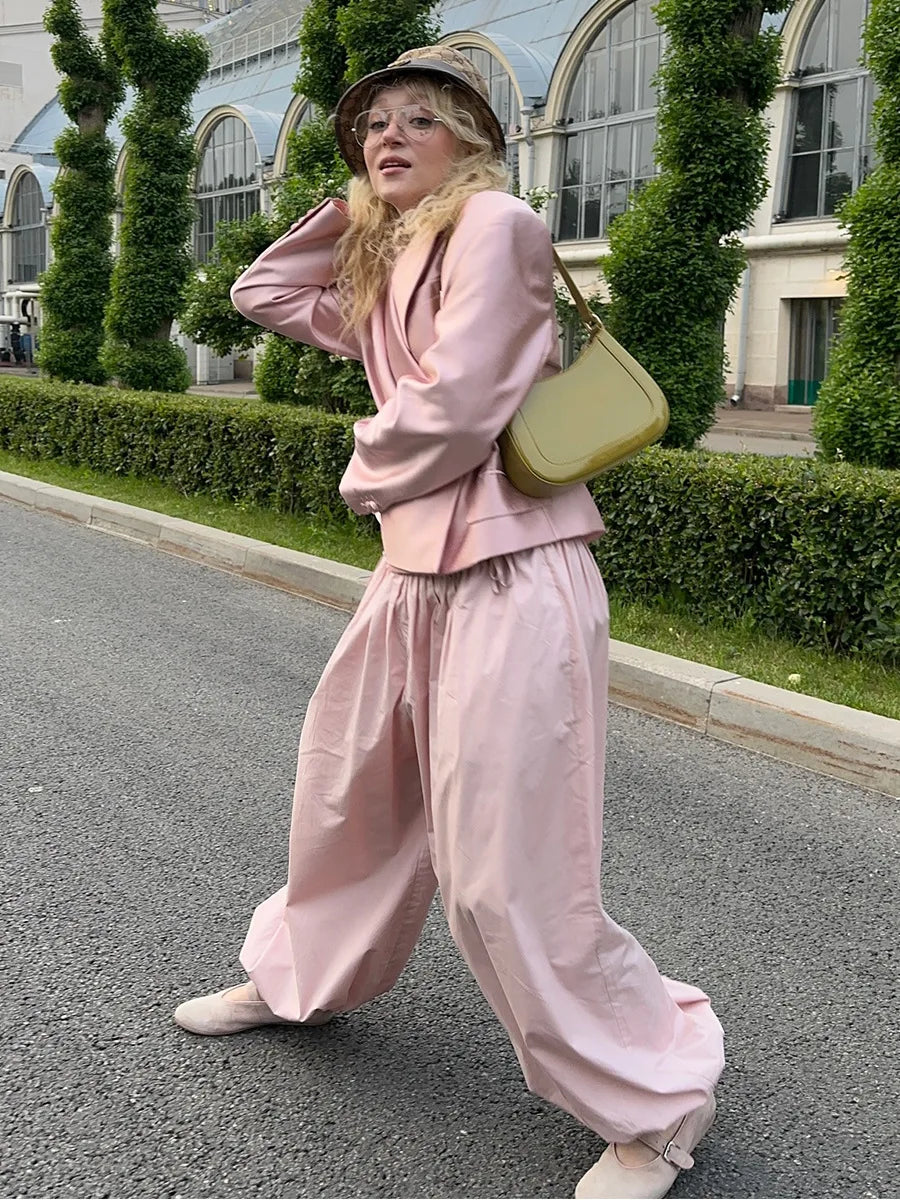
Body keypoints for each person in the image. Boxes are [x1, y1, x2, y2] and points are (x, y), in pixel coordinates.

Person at [173, 46, 725, 1200]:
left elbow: (462, 402)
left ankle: (656, 1102)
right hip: (413, 576)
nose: (389, 135)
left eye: (421, 120)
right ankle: (297, 981)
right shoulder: (390, 253)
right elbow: (263, 294)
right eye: (372, 126)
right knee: (348, 800)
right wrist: (359, 200)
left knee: (504, 872)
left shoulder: (499, 228)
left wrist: (361, 474)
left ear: (474, 141)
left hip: (514, 570)